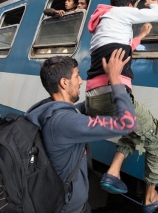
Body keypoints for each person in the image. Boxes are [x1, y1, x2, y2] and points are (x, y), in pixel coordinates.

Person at [86, 0, 158, 213]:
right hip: (113, 95)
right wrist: (151, 1)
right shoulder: (121, 12)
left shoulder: (103, 22)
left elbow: (123, 49)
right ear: (131, 5)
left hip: (94, 97)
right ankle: (151, 196)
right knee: (156, 135)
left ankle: (113, 173)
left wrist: (140, 35)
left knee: (135, 131)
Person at [24, 49, 137, 213]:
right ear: (64, 83)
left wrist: (101, 93)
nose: (81, 81)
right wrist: (115, 79)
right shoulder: (65, 122)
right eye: (77, 76)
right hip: (67, 208)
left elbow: (83, 109)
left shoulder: (50, 109)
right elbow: (127, 123)